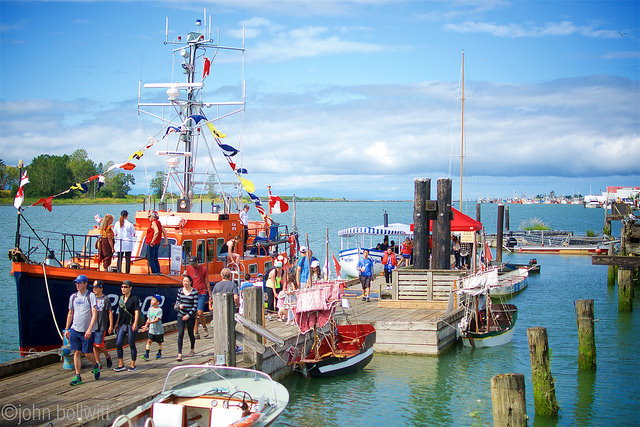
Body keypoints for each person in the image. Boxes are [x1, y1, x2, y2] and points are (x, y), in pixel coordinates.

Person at [64, 274, 100, 386]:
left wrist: (90, 329)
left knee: (87, 353)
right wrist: (67, 328)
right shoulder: (73, 297)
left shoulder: (90, 296)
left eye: (79, 283)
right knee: (76, 352)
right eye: (76, 283)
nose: (77, 285)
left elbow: (94, 313)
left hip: (87, 330)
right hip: (75, 329)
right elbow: (70, 313)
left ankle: (95, 365)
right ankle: (78, 375)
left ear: (85, 284)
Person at [113, 280, 141, 372]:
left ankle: (133, 364)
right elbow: (120, 313)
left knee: (131, 343)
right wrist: (116, 323)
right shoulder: (121, 298)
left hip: (131, 323)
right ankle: (121, 363)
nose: (123, 289)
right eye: (122, 287)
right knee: (118, 343)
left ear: (130, 288)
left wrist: (135, 323)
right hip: (122, 323)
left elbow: (137, 311)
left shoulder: (134, 298)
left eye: (125, 287)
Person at [185, 256, 210, 339]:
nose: (192, 265)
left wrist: (209, 294)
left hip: (201, 292)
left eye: (193, 263)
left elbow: (207, 281)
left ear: (197, 262)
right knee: (194, 313)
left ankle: (204, 326)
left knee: (200, 312)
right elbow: (187, 281)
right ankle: (196, 331)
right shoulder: (189, 269)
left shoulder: (203, 269)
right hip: (193, 293)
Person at [175, 274, 198, 361]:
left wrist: (188, 315)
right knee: (180, 334)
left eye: (187, 281)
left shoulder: (194, 292)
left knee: (190, 333)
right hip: (181, 314)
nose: (185, 283)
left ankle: (192, 349)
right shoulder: (180, 291)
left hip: (190, 315)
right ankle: (179, 353)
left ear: (190, 282)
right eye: (184, 281)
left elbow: (195, 306)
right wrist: (179, 305)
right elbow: (177, 301)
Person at [92, 280, 113, 370]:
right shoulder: (92, 298)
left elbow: (109, 312)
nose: (94, 289)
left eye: (96, 288)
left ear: (101, 288)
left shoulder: (105, 299)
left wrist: (111, 325)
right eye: (94, 288)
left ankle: (107, 355)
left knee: (99, 344)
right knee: (94, 345)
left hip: (102, 324)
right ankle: (98, 363)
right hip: (93, 325)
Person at [141, 294, 163, 360]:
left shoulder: (159, 310)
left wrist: (150, 322)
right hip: (152, 329)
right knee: (149, 340)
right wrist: (146, 326)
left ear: (158, 303)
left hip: (159, 330)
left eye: (154, 300)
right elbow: (148, 318)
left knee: (159, 342)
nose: (151, 301)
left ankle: (159, 352)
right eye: (151, 300)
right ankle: (147, 354)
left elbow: (157, 319)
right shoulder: (150, 309)